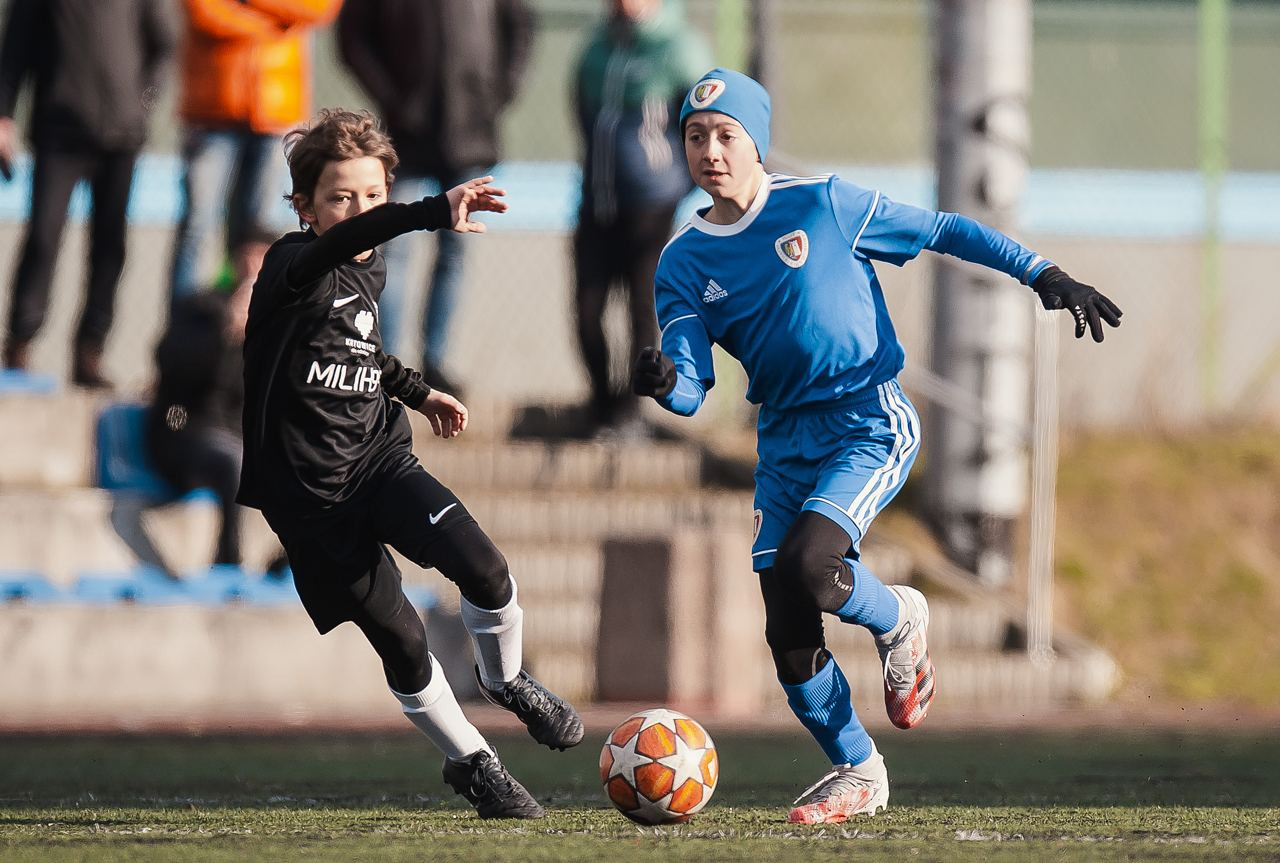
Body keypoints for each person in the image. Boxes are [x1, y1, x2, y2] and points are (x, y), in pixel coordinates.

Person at [632, 69, 1123, 824]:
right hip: (784, 442)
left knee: (810, 565)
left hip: (867, 420)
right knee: (787, 627)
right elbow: (692, 386)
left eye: (726, 134)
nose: (710, 150)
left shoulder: (822, 203)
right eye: (695, 137)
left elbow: (943, 228)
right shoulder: (683, 261)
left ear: (757, 143)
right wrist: (664, 382)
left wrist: (1042, 273)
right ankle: (859, 770)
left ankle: (898, 617)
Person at [237, 109, 584, 818]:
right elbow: (351, 242)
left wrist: (418, 392)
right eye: (341, 197)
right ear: (305, 208)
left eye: (373, 194)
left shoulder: (370, 263)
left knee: (486, 570)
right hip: (311, 501)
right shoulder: (289, 265)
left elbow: (358, 348)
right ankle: (475, 764)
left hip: (379, 461)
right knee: (403, 639)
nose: (360, 211)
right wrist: (428, 212)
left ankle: (506, 680)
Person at [337, 0, 535, 394]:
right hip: (407, 138)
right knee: (394, 251)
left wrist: (496, 92)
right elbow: (352, 40)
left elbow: (521, 27)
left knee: (455, 251)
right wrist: (394, 100)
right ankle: (387, 364)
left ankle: (436, 362)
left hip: (470, 135)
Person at [0, 0, 177, 386]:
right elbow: (14, 50)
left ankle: (89, 353)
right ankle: (19, 346)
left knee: (109, 247)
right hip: (57, 131)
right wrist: (4, 116)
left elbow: (164, 44)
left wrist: (142, 105)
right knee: (43, 238)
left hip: (121, 137)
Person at [570, 0, 710, 435]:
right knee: (587, 310)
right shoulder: (599, 46)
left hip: (651, 205)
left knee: (641, 310)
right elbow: (582, 107)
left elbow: (700, 119)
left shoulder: (679, 47)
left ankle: (632, 412)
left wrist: (677, 180)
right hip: (597, 200)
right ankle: (601, 406)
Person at [168, 0, 341, 303]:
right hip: (213, 109)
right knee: (198, 225)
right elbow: (204, 12)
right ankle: (185, 323)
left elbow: (318, 8)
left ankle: (248, 317)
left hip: (276, 111)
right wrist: (273, 25)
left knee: (259, 232)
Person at [139, 230, 276, 578]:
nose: (254, 270)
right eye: (249, 257)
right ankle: (228, 563)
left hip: (234, 434)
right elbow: (172, 370)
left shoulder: (275, 324)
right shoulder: (199, 308)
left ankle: (287, 562)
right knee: (235, 461)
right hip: (182, 430)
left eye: (264, 261)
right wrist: (225, 333)